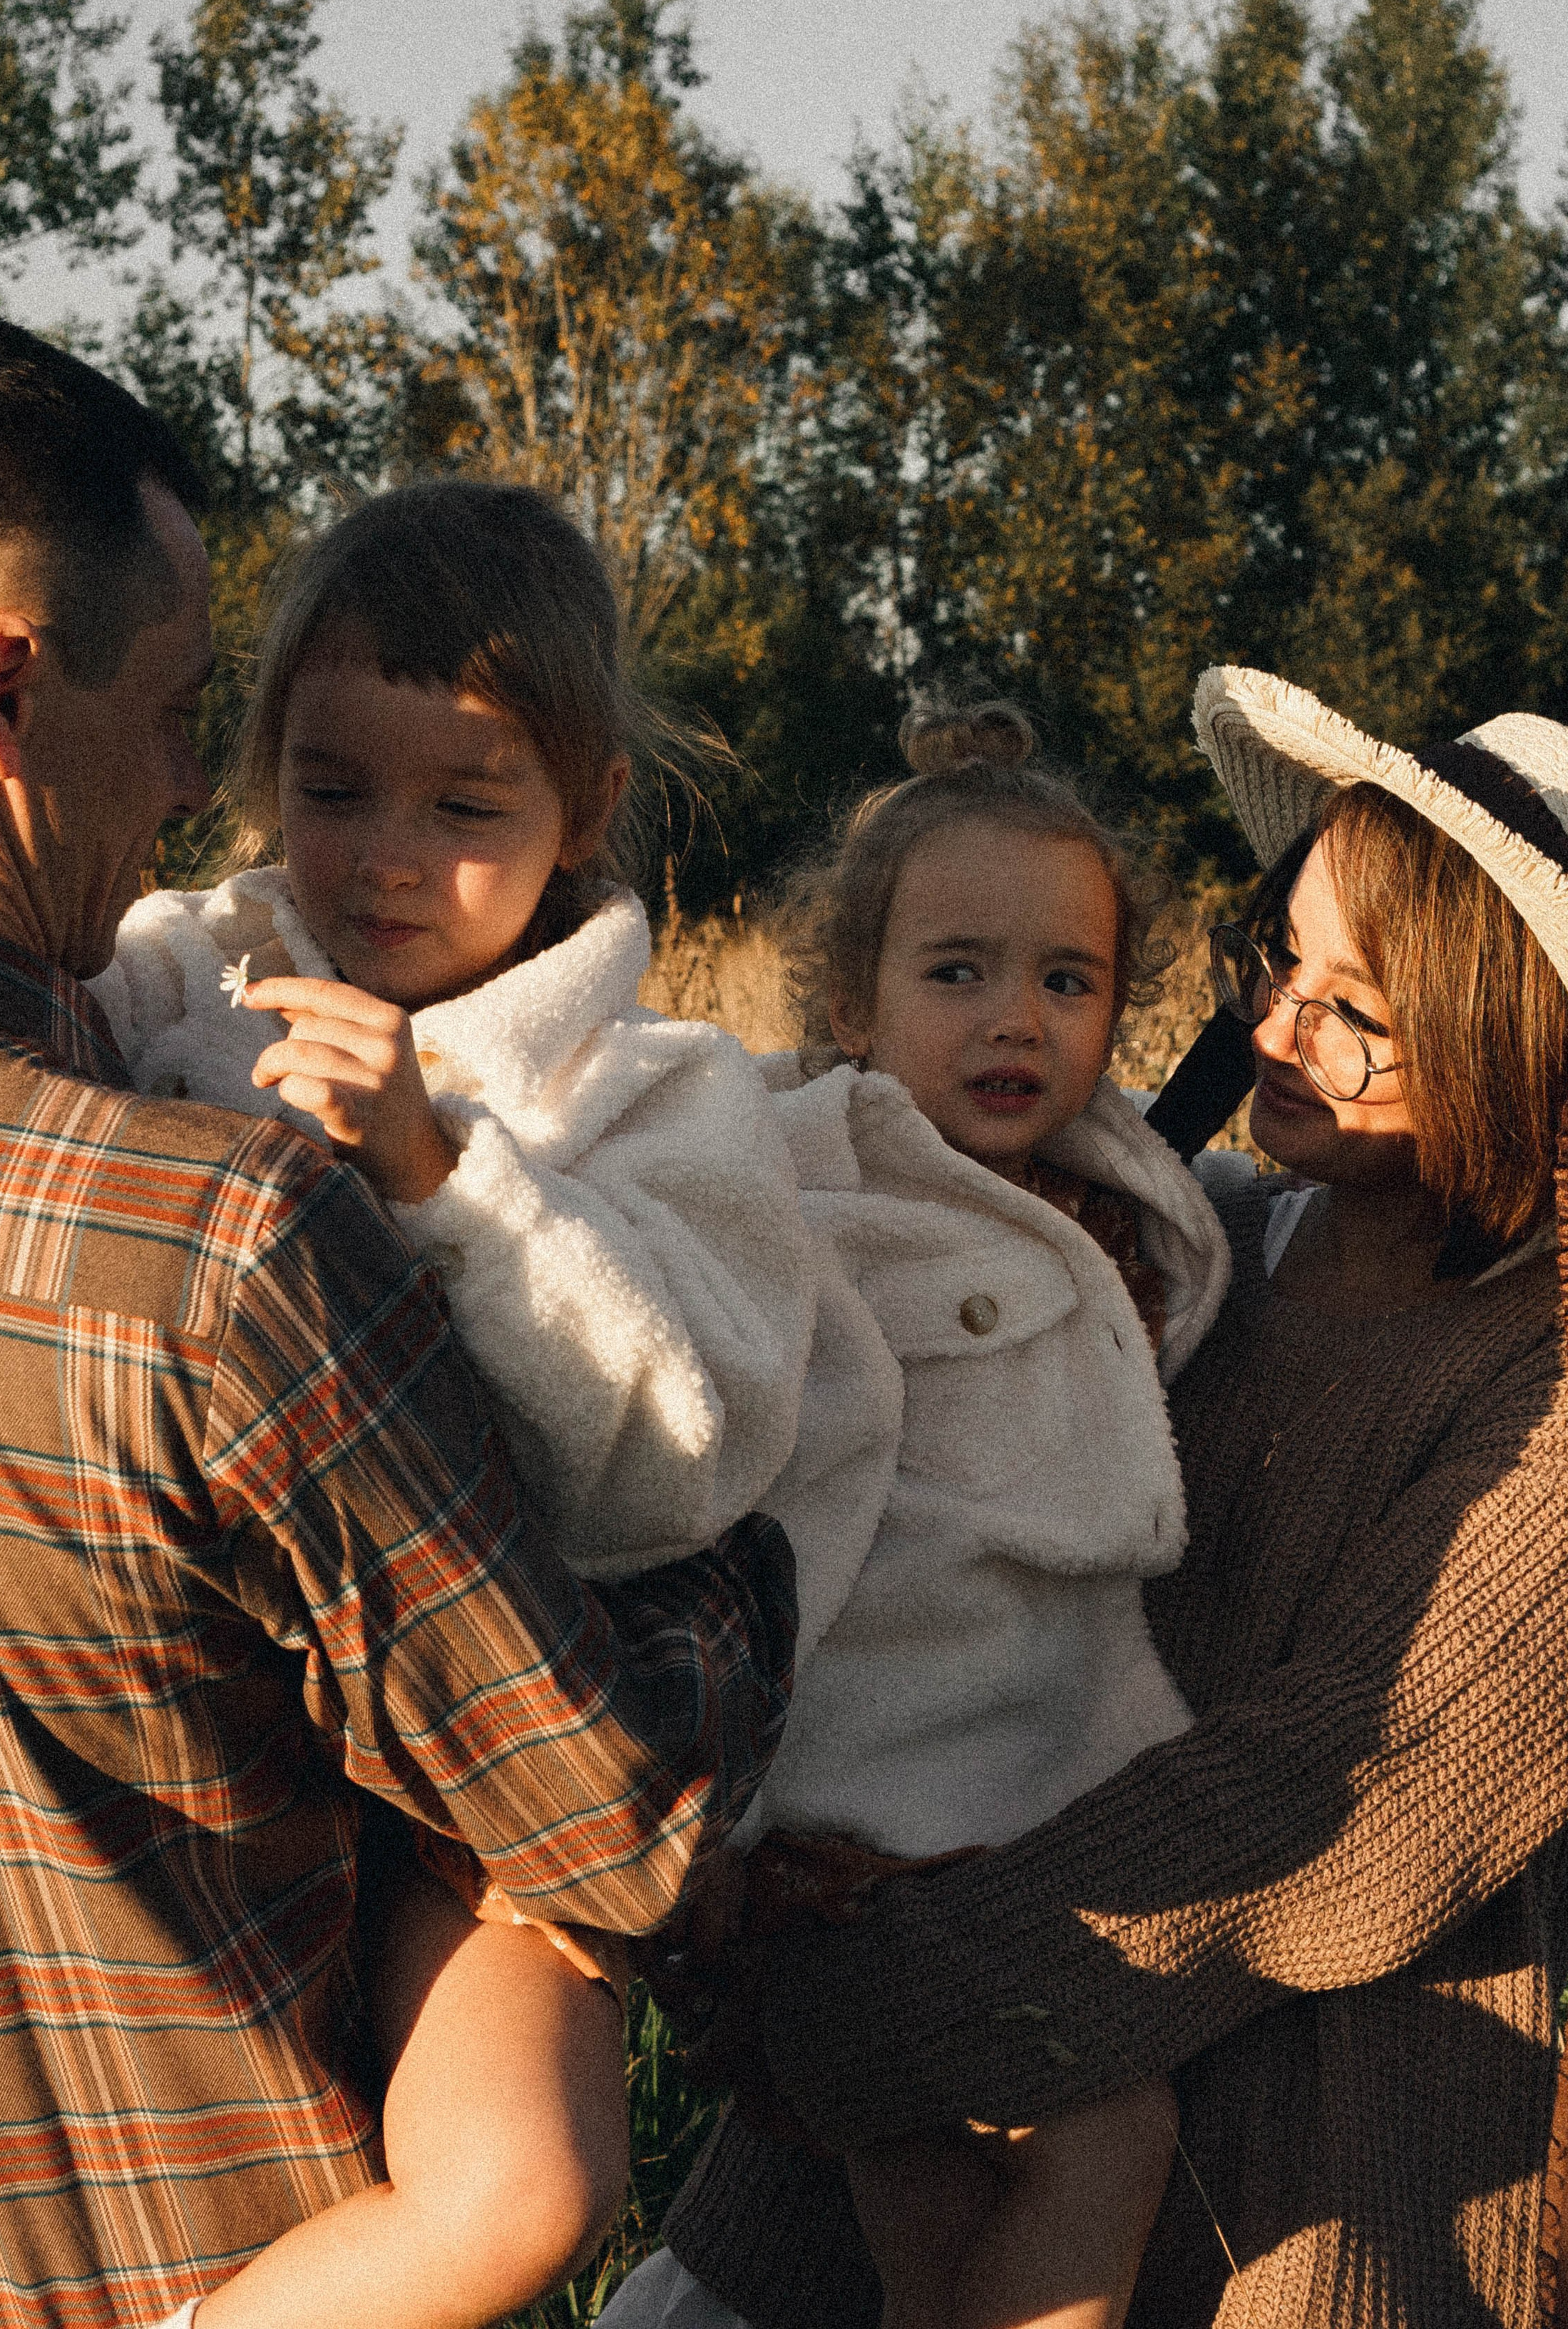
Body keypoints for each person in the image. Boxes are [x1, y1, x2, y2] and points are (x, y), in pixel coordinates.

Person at [0, 306, 796, 2329]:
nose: (191, 786)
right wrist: (762, 1586)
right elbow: (602, 1815)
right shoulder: (207, 1242)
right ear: (4, 693)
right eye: (176, 714)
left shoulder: (105, 1066)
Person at [608, 665, 1568, 2329]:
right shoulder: (1175, 1242)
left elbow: (1341, 1806)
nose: (1278, 1028)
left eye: (1356, 1009)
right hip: (904, 2133)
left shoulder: (1563, 1403)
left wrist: (863, 2010)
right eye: (1276, 956)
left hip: (1294, 2210)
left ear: (1510, 1041)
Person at [73, 481, 896, 2329]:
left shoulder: (655, 1091)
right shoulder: (174, 979)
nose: (382, 860)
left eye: (467, 808)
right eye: (335, 785)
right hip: (201, 1714)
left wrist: (452, 1182)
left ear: (586, 813)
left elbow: (685, 1450)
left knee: (533, 2181)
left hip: (479, 1761)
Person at [631, 697, 1229, 2329]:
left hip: (1015, 1809)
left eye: (1066, 980)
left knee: (936, 2216)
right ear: (848, 999)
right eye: (954, 972)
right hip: (855, 1829)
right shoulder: (807, 1193)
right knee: (1103, 2143)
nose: (1010, 1018)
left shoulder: (1119, 1193)